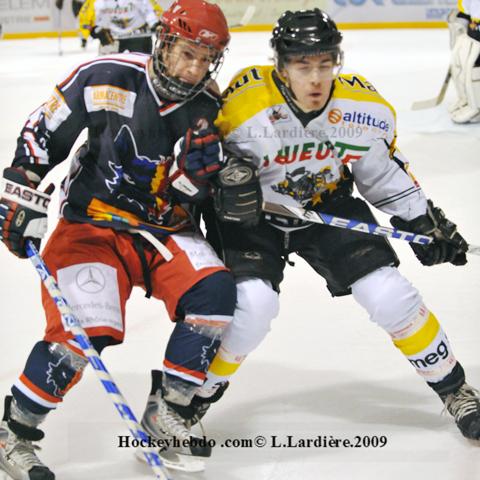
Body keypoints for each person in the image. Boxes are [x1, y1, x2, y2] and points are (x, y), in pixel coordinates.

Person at [201, 8, 480, 441]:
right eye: (303, 66)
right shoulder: (240, 107)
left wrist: (422, 221)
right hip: (254, 219)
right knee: (251, 306)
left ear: (337, 61)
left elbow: (381, 174)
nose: (316, 79)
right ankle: (195, 395)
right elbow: (197, 163)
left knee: (388, 293)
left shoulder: (362, 108)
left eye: (325, 65)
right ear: (281, 65)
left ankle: (454, 388)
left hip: (325, 206)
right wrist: (220, 186)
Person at [0, 0, 234, 478]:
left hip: (163, 231)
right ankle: (13, 432)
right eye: (186, 53)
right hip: (91, 226)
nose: (194, 69)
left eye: (206, 60)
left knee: (215, 292)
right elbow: (42, 133)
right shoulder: (107, 76)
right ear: (163, 43)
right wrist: (20, 186)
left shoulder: (211, 108)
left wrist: (204, 185)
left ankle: (167, 409)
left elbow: (203, 193)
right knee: (82, 330)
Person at [78, 0, 162, 53]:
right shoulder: (95, 2)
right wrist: (94, 32)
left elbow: (154, 12)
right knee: (108, 72)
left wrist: (156, 24)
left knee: (141, 73)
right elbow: (84, 21)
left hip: (139, 39)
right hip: (111, 40)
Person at [448, 0, 480, 122]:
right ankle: (469, 100)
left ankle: (476, 106)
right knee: (466, 63)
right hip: (474, 22)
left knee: (474, 65)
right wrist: (464, 15)